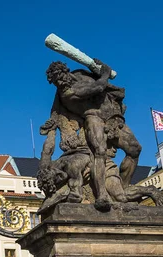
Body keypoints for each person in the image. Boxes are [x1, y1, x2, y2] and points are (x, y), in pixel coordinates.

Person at [46, 60, 141, 210]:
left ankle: (124, 187)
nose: (59, 83)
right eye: (55, 82)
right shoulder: (67, 93)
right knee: (100, 152)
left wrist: (98, 68)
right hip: (94, 118)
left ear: (65, 72)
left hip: (114, 117)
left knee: (135, 149)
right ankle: (102, 194)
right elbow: (97, 87)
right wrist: (105, 73)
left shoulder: (79, 74)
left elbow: (95, 79)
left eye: (59, 78)